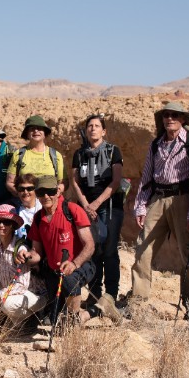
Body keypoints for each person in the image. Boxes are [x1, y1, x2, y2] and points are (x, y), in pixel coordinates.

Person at [130, 102, 189, 318]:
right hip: (158, 198)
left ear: (183, 119)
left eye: (174, 115)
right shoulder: (156, 145)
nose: (169, 118)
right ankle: (138, 302)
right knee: (142, 248)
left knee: (188, 252)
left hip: (184, 199)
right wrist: (140, 206)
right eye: (166, 115)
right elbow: (146, 179)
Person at [25, 176, 119, 325]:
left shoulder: (72, 210)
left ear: (57, 192)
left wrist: (74, 264)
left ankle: (73, 322)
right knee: (55, 320)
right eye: (41, 193)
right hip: (53, 273)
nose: (46, 196)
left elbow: (89, 245)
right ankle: (99, 308)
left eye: (49, 191)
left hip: (81, 266)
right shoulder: (38, 218)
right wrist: (26, 256)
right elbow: (36, 253)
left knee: (69, 281)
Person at [70, 114, 124, 301]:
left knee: (109, 250)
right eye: (90, 126)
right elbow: (75, 182)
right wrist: (85, 205)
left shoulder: (112, 151)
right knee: (92, 250)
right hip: (86, 208)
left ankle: (110, 296)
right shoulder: (79, 154)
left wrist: (96, 204)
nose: (93, 128)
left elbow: (116, 181)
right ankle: (94, 295)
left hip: (108, 206)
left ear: (104, 131)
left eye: (97, 125)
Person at [6, 115, 64, 198]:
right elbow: (10, 182)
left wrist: (53, 194)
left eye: (39, 128)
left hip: (49, 202)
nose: (36, 131)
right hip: (26, 205)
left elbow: (63, 182)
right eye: (32, 129)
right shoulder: (18, 154)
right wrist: (23, 196)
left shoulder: (55, 155)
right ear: (27, 134)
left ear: (45, 133)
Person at [14, 173, 42, 239]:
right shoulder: (14, 212)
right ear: (17, 191)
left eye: (29, 188)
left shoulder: (44, 208)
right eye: (21, 189)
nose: (26, 192)